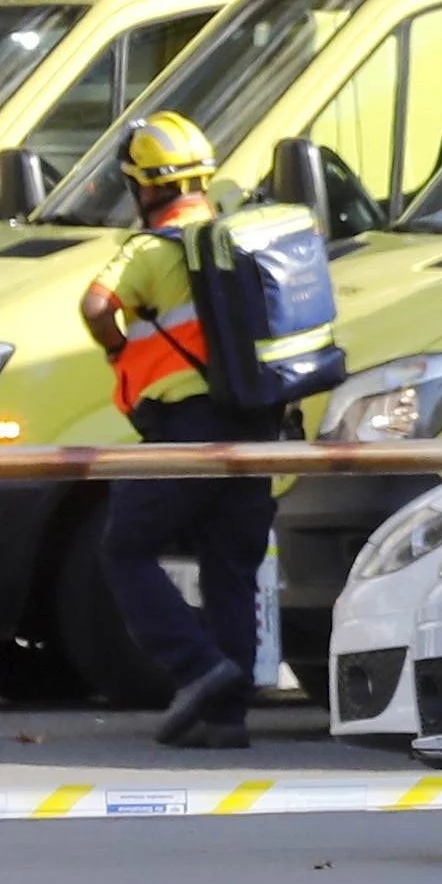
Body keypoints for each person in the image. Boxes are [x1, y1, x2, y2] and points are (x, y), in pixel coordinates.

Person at [77, 113, 293, 744]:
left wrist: (119, 350)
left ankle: (196, 667)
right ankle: (227, 719)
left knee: (124, 547)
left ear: (145, 186)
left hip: (187, 424)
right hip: (257, 422)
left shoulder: (149, 250)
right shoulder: (245, 241)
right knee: (231, 566)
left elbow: (97, 306)